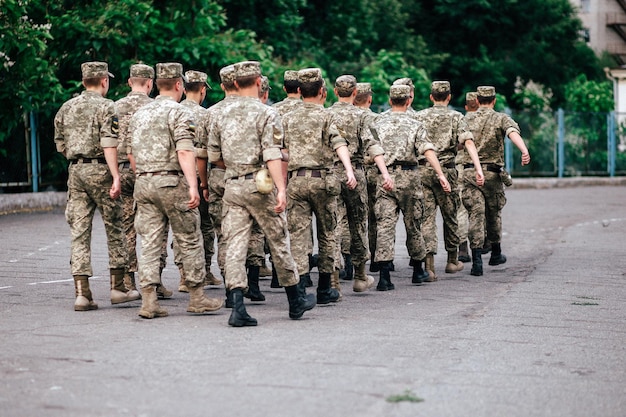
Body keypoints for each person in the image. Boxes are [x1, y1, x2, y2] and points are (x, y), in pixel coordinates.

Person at [207, 60, 316, 327]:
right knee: (278, 239)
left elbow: (213, 156)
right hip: (260, 185)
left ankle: (237, 305)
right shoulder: (266, 113)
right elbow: (272, 155)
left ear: (233, 84)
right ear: (258, 83)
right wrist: (281, 189)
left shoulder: (220, 114)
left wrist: (235, 167)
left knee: (234, 243)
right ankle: (295, 299)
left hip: (232, 185)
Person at [129, 62, 223, 319]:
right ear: (179, 85)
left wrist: (143, 176)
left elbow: (131, 154)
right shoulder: (180, 113)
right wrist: (194, 185)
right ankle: (197, 297)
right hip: (172, 183)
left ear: (157, 85)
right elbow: (185, 150)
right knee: (189, 238)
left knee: (149, 242)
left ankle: (148, 301)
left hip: (144, 183)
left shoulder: (140, 114)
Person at [54, 61, 131, 311]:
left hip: (75, 170)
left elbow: (60, 144)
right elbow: (109, 143)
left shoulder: (67, 107)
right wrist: (115, 175)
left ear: (84, 80)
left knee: (79, 231)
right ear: (104, 81)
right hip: (101, 169)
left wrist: (77, 158)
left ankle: (82, 294)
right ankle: (118, 287)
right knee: (114, 226)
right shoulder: (107, 106)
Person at [282, 68, 358, 305]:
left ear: (298, 91)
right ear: (323, 92)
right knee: (328, 233)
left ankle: (302, 286)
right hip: (323, 180)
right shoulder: (327, 117)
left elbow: (280, 152)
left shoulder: (287, 118)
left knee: (298, 235)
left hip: (295, 181)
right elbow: (339, 144)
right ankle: (325, 288)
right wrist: (348, 169)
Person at [364, 84, 451, 291]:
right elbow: (427, 150)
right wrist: (440, 174)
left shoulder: (377, 122)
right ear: (409, 100)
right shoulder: (415, 123)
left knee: (385, 225)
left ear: (390, 100)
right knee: (414, 224)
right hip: (410, 177)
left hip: (385, 178)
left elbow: (369, 153)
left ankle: (385, 277)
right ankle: (418, 270)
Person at [326, 75, 394, 293]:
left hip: (330, 173)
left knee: (333, 225)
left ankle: (334, 278)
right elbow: (373, 146)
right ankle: (360, 275)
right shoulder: (363, 116)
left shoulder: (325, 115)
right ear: (355, 93)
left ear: (335, 92)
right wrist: (385, 173)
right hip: (355, 171)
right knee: (359, 224)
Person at [414, 81, 485, 281]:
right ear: (449, 97)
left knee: (426, 219)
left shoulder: (419, 116)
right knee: (450, 216)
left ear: (430, 97)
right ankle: (452, 260)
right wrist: (478, 168)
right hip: (448, 170)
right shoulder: (456, 117)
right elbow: (468, 142)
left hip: (423, 171)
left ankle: (429, 267)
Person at [461, 85, 531, 276]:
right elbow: (512, 133)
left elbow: (458, 144)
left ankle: (476, 262)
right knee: (494, 213)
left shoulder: (465, 118)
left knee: (475, 215)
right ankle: (496, 253)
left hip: (470, 173)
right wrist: (524, 151)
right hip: (492, 174)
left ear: (476, 100)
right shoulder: (500, 117)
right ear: (494, 100)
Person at [176, 69, 222, 291]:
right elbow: (207, 152)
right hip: (199, 175)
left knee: (181, 227)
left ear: (184, 89)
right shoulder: (207, 115)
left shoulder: (173, 111)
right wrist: (204, 184)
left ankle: (184, 274)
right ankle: (203, 270)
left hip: (177, 176)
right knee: (205, 224)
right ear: (203, 90)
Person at [114, 63, 156, 303]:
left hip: (121, 170)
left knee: (125, 227)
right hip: (147, 173)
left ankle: (128, 280)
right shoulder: (155, 108)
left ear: (130, 82)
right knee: (153, 227)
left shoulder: (115, 106)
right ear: (149, 83)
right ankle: (154, 282)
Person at [457, 91, 479, 262]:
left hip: (461, 168)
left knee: (461, 209)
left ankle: (462, 246)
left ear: (466, 106)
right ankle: (481, 243)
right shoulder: (491, 119)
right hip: (483, 169)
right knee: (479, 209)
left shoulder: (460, 119)